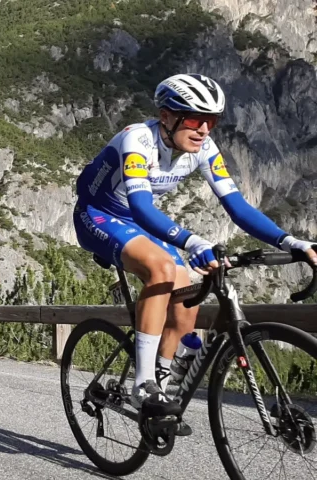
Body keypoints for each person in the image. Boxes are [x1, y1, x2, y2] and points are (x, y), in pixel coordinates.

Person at [73, 73, 317, 434]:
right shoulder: (137, 139)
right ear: (167, 116)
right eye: (194, 119)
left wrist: (290, 241)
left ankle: (162, 379)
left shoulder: (204, 148)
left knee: (186, 294)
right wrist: (192, 241)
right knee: (161, 269)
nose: (204, 129)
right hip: (98, 215)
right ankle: (143, 386)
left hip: (139, 221)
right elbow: (140, 207)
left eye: (212, 120)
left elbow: (237, 207)